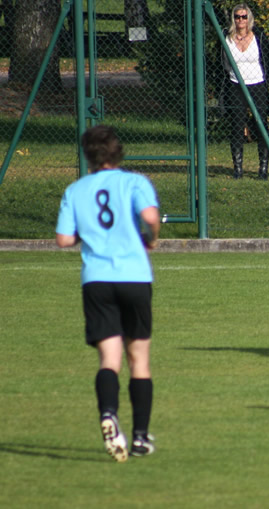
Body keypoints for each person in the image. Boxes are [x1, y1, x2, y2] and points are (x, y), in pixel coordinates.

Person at [55, 125, 160, 462]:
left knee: (109, 360)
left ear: (89, 156)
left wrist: (86, 235)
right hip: (134, 276)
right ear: (119, 153)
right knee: (139, 358)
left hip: (96, 280)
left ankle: (108, 414)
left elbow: (63, 239)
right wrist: (152, 237)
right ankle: (141, 438)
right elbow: (149, 217)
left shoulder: (76, 190)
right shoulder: (134, 182)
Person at [222, 3, 269, 180]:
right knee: (237, 126)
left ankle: (263, 168)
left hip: (257, 84)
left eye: (244, 17)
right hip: (235, 84)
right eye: (237, 17)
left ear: (249, 18)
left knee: (261, 126)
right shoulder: (226, 37)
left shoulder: (258, 36)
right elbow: (220, 63)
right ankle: (238, 169)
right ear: (233, 19)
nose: (240, 20)